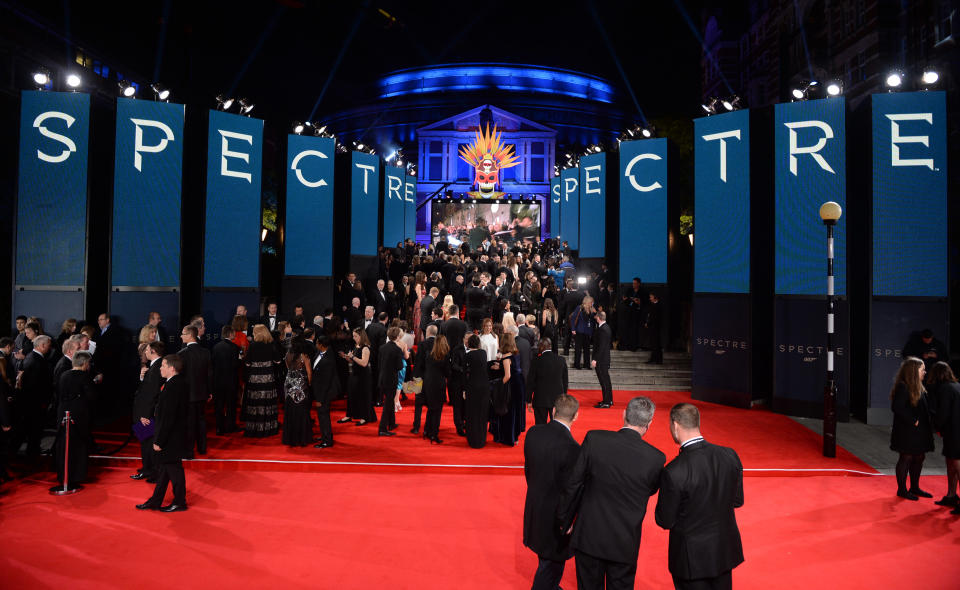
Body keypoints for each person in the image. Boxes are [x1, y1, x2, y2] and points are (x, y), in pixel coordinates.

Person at [558, 396, 666, 590]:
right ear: (649, 423)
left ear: (624, 414)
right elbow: (650, 490)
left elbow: (573, 483)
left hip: (589, 535)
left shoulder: (595, 439)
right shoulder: (656, 458)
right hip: (624, 542)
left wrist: (565, 521)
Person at [655, 403, 744, 590]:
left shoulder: (674, 471)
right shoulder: (729, 455)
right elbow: (737, 500)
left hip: (690, 560)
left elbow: (665, 520)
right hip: (723, 551)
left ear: (675, 425)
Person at [523, 394, 580, 590]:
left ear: (553, 411)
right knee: (551, 566)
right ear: (576, 417)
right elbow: (570, 491)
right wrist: (567, 521)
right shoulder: (574, 449)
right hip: (556, 518)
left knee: (545, 560)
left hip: (534, 507)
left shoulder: (533, 433)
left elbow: (528, 471)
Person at [137, 354, 189, 512]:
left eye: (163, 366)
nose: (160, 368)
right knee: (165, 471)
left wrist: (159, 440)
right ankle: (156, 500)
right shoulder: (174, 383)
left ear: (172, 368)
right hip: (172, 436)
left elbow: (168, 418)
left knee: (174, 470)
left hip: (170, 438)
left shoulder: (173, 386)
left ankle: (180, 501)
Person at [889, 356, 934, 500]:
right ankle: (902, 490)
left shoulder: (918, 386)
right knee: (906, 458)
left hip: (919, 432)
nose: (925, 372)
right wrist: (914, 421)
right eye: (923, 370)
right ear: (914, 371)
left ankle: (915, 487)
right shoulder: (904, 386)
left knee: (919, 457)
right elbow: (897, 407)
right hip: (907, 431)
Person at [53, 351, 96, 491]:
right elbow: (91, 396)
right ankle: (75, 476)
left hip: (62, 412)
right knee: (77, 445)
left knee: (64, 445)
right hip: (78, 415)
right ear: (84, 363)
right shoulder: (85, 376)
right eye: (88, 363)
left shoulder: (64, 375)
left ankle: (64, 475)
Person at [927, 362, 960, 511]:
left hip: (954, 432)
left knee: (956, 464)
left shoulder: (946, 389)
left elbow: (943, 414)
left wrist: (936, 426)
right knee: (951, 463)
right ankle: (951, 496)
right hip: (954, 431)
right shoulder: (957, 386)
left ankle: (952, 495)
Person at [15, 334, 53, 457]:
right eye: (48, 345)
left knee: (32, 429)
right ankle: (30, 453)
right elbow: (35, 384)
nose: (50, 347)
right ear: (42, 345)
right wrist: (42, 402)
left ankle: (32, 450)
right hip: (34, 402)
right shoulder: (36, 360)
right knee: (32, 429)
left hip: (33, 402)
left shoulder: (33, 357)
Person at [131, 341, 164, 483]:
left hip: (147, 414)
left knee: (148, 443)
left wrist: (146, 415)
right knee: (145, 442)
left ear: (153, 351)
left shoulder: (157, 368)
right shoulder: (154, 367)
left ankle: (151, 471)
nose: (145, 352)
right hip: (144, 411)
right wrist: (141, 377)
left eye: (147, 350)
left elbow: (152, 394)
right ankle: (147, 468)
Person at [178, 325, 212, 458]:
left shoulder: (181, 354)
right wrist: (209, 391)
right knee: (201, 421)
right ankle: (202, 448)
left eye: (183, 334)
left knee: (189, 424)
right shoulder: (206, 352)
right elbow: (210, 374)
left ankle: (189, 451)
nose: (181, 336)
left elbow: (179, 377)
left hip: (188, 395)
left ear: (190, 335)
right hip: (202, 394)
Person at [243, 325, 281, 437]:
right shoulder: (271, 345)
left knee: (256, 404)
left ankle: (255, 429)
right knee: (267, 404)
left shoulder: (252, 346)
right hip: (268, 378)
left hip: (255, 379)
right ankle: (268, 428)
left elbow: (247, 363)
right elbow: (278, 361)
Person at [489, 333, 526, 446]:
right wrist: (500, 366)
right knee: (516, 411)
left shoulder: (505, 357)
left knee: (509, 412)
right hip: (519, 384)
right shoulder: (515, 353)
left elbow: (507, 376)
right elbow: (514, 367)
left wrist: (496, 386)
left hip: (512, 386)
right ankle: (515, 437)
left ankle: (508, 438)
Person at [526, 338, 569, 425]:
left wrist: (529, 400)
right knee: (557, 425)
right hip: (557, 399)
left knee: (540, 425)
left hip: (540, 399)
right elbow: (565, 381)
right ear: (550, 346)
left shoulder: (536, 361)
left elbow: (530, 382)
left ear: (541, 347)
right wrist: (564, 396)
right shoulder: (561, 360)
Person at [282, 336, 314, 447]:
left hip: (289, 385)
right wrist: (309, 384)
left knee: (290, 411)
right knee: (302, 412)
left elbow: (288, 369)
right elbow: (309, 373)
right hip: (301, 387)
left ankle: (291, 438)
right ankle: (302, 438)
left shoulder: (287, 355)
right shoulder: (303, 356)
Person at [342, 327, 376, 426]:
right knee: (352, 394)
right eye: (353, 336)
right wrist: (347, 358)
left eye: (355, 336)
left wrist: (353, 357)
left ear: (361, 336)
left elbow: (364, 363)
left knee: (363, 396)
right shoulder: (356, 346)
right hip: (355, 374)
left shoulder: (365, 347)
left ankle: (364, 417)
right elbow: (355, 361)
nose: (353, 338)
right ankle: (349, 415)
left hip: (363, 376)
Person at [310, 334, 340, 448]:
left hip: (324, 393)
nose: (315, 344)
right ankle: (325, 435)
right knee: (322, 415)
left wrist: (320, 399)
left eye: (317, 343)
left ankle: (327, 440)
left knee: (324, 416)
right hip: (320, 390)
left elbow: (325, 383)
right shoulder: (320, 353)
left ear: (322, 345)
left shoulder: (328, 360)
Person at [211, 326, 241, 435]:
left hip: (218, 381)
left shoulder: (215, 347)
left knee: (219, 405)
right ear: (230, 334)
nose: (235, 335)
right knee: (231, 405)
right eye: (234, 333)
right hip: (231, 382)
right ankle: (230, 426)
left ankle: (219, 428)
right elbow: (236, 365)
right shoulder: (235, 348)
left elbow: (213, 365)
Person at [377, 326, 406, 437]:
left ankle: (392, 423)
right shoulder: (397, 350)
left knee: (389, 401)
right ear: (398, 336)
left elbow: (379, 364)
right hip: (391, 380)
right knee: (388, 403)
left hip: (382, 378)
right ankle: (382, 429)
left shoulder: (382, 348)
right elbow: (399, 366)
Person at [422, 334, 451, 444]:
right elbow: (447, 373)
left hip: (428, 384)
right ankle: (434, 434)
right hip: (438, 385)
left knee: (431, 408)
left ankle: (427, 431)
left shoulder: (429, 355)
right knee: (437, 411)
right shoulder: (445, 356)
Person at [464, 333, 490, 448]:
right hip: (484, 387)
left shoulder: (467, 356)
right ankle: (481, 439)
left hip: (472, 387)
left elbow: (465, 374)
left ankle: (473, 440)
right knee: (482, 413)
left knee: (472, 413)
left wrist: (464, 389)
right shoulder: (483, 353)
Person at [411, 324, 437, 435]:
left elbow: (417, 363)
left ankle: (416, 427)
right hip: (433, 379)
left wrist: (414, 379)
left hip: (420, 377)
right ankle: (427, 428)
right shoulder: (439, 345)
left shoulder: (422, 345)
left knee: (418, 404)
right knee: (431, 404)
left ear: (428, 332)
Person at [591, 311, 613, 408]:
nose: (595, 318)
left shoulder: (603, 329)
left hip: (601, 360)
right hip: (603, 359)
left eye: (596, 317)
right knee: (606, 380)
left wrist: (595, 359)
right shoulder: (605, 327)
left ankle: (607, 402)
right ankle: (608, 400)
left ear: (599, 318)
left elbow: (602, 347)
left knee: (604, 381)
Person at [569, 294, 595, 370]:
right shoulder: (579, 308)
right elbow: (573, 318)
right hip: (579, 331)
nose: (592, 303)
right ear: (588, 302)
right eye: (591, 302)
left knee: (587, 349)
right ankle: (577, 364)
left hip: (587, 331)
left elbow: (592, 321)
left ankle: (587, 364)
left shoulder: (591, 309)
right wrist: (573, 329)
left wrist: (594, 313)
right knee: (578, 348)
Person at [645, 292, 663, 364]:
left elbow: (655, 317)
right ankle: (654, 359)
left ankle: (658, 360)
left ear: (655, 297)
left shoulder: (658, 306)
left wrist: (648, 323)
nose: (650, 298)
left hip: (656, 327)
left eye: (651, 297)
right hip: (652, 327)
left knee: (656, 343)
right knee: (653, 343)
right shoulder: (652, 305)